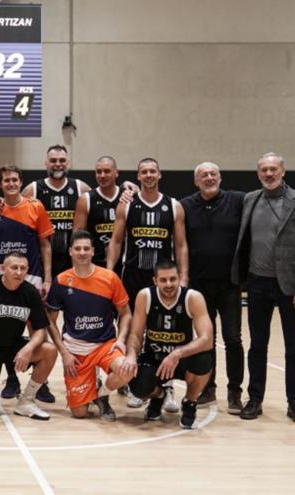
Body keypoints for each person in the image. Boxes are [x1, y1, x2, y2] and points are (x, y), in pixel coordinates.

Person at [107, 157, 188, 411]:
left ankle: (167, 386)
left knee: (162, 331)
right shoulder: (127, 205)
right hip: (133, 274)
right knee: (132, 328)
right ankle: (134, 384)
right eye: (144, 172)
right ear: (138, 176)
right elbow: (117, 241)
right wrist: (110, 273)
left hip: (163, 279)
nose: (149, 175)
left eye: (153, 171)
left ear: (160, 175)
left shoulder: (173, 206)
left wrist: (183, 277)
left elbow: (181, 245)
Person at [232, 152, 295, 421]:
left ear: (283, 172)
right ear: (258, 174)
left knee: (293, 347)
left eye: (274, 169)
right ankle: (255, 399)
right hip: (257, 282)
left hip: (289, 284)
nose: (269, 174)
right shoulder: (250, 199)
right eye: (264, 170)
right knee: (258, 345)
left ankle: (293, 402)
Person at [45, 231, 134, 421]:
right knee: (80, 413)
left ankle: (102, 394)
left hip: (105, 345)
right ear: (70, 252)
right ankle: (91, 387)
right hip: (75, 350)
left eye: (86, 248)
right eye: (78, 249)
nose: (82, 252)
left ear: (93, 251)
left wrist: (120, 340)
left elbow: (126, 314)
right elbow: (50, 321)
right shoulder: (61, 280)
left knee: (127, 371)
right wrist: (64, 352)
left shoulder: (109, 278)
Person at [0, 165, 55, 403]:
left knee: (36, 328)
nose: (11, 184)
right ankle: (12, 378)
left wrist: (47, 278)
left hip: (33, 276)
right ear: (1, 184)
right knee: (5, 327)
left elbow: (46, 245)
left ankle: (41, 382)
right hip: (3, 277)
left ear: (20, 182)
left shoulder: (35, 207)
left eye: (15, 180)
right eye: (6, 180)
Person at [180, 162, 245, 412]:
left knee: (233, 339)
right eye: (203, 175)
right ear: (196, 181)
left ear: (220, 177)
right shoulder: (185, 205)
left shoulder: (238, 201)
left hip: (229, 284)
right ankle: (208, 388)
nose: (209, 178)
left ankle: (235, 392)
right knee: (207, 339)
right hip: (199, 286)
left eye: (213, 174)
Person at [120, 261, 213, 429]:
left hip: (180, 360)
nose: (169, 284)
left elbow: (207, 339)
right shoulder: (145, 296)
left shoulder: (192, 297)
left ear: (180, 278)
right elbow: (135, 334)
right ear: (155, 280)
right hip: (154, 358)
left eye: (173, 279)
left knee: (205, 359)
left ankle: (190, 402)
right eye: (163, 280)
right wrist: (131, 354)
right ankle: (159, 395)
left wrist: (176, 354)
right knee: (137, 387)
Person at [0, 253, 58, 420]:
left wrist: (28, 349)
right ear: (3, 268)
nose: (18, 272)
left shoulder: (30, 292)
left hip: (13, 347)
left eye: (22, 268)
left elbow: (40, 330)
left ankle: (27, 401)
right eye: (14, 268)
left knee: (49, 350)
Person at [22, 145, 91, 278]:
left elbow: (103, 200)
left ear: (68, 163)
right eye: (53, 161)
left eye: (62, 160)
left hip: (72, 258)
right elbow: (13, 206)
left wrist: (125, 187)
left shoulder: (80, 187)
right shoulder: (33, 189)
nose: (58, 164)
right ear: (46, 164)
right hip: (41, 259)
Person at [73, 156, 124, 273]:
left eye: (107, 171)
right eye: (98, 172)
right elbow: (77, 236)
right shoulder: (86, 199)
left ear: (116, 173)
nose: (102, 175)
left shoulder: (126, 197)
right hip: (95, 263)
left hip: (124, 263)